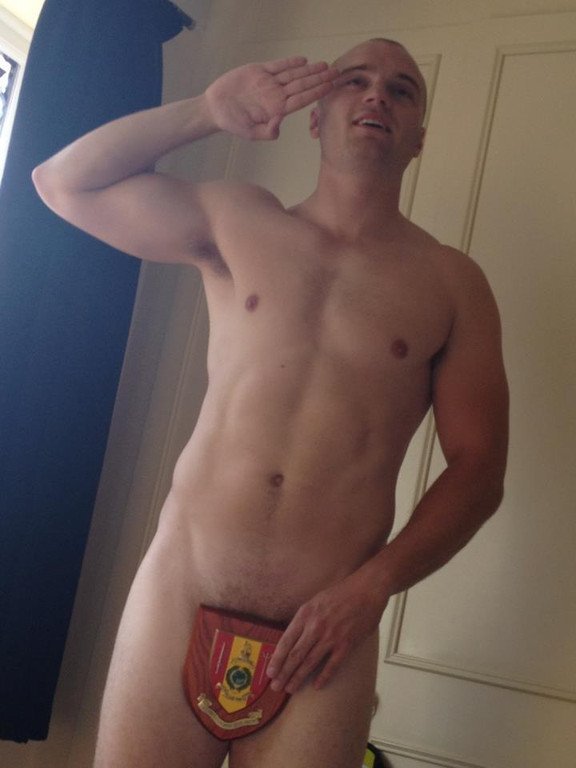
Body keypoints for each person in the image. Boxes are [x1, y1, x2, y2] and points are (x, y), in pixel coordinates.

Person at [32, 38, 508, 768]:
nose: (376, 95)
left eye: (402, 89)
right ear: (314, 117)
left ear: (419, 137)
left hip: (327, 632)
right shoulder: (237, 219)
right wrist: (204, 110)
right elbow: (63, 183)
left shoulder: (452, 284)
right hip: (180, 594)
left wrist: (373, 589)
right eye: (355, 80)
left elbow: (479, 470)